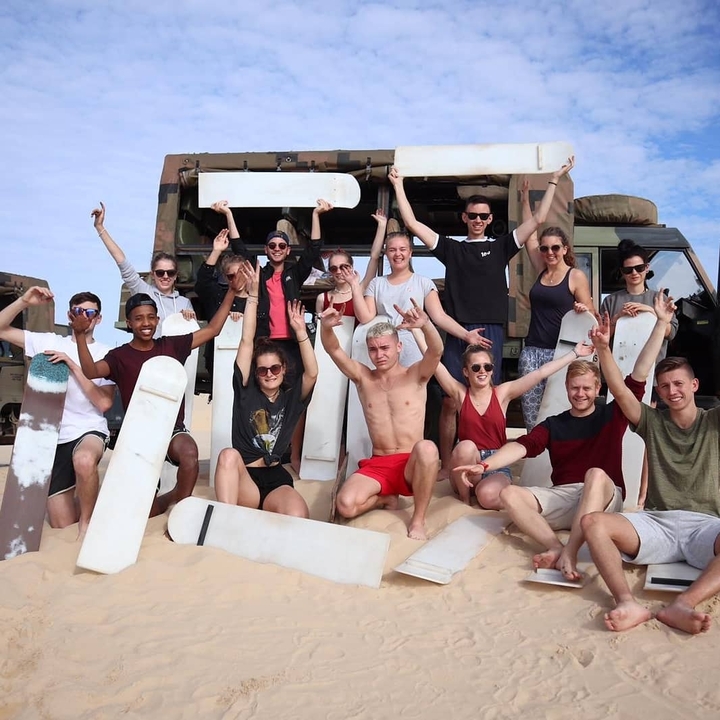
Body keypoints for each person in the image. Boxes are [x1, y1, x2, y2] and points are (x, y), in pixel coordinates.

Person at [389, 159, 575, 471]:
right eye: (472, 215)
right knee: (450, 399)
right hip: (459, 328)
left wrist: (554, 179)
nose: (477, 220)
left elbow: (539, 219)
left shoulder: (502, 247)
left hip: (490, 331)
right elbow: (413, 225)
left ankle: (493, 461)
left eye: (483, 216)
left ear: (490, 220)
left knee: (490, 399)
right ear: (464, 218)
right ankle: (447, 464)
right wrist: (398, 185)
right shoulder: (451, 249)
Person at [582, 294, 720, 635]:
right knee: (593, 523)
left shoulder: (713, 421)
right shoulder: (652, 422)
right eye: (665, 387)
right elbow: (619, 389)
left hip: (706, 526)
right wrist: (603, 348)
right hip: (657, 523)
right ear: (657, 393)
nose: (673, 391)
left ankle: (683, 604)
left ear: (694, 385)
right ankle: (627, 602)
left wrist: (662, 322)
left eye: (679, 384)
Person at [456, 341, 648, 581]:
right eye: (574, 388)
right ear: (566, 388)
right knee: (509, 494)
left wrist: (661, 324)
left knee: (595, 474)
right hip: (565, 496)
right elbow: (521, 446)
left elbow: (638, 378)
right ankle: (555, 546)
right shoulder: (554, 424)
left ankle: (570, 551)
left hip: (604, 497)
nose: (580, 394)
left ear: (598, 388)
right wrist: (485, 465)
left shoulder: (612, 415)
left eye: (586, 388)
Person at [72, 279, 241, 516]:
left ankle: (181, 512)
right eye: (139, 318)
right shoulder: (119, 356)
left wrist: (232, 292)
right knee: (147, 513)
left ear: (158, 320)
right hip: (139, 434)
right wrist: (80, 336)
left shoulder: (172, 346)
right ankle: (169, 497)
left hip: (172, 429)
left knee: (190, 454)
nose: (146, 323)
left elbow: (213, 329)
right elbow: (90, 372)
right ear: (129, 323)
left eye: (151, 317)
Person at [412, 329, 593, 508]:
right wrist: (415, 330)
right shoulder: (460, 394)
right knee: (465, 446)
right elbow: (435, 362)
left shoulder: (502, 394)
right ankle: (465, 500)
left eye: (487, 366)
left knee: (487, 497)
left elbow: (540, 373)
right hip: (466, 463)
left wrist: (574, 353)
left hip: (496, 462)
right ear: (466, 372)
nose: (482, 371)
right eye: (476, 367)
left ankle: (496, 493)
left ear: (492, 370)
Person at [214, 198, 331, 472]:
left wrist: (315, 214)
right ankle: (261, 451)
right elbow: (238, 247)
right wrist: (229, 214)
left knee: (297, 399)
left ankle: (293, 456)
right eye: (272, 246)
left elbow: (314, 250)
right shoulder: (259, 272)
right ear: (266, 250)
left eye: (281, 246)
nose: (277, 249)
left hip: (291, 345)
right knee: (259, 398)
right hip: (264, 346)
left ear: (287, 249)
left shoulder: (294, 272)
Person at [321, 298, 443, 540]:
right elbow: (333, 349)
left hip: (411, 463)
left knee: (428, 448)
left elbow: (436, 350)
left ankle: (418, 520)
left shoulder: (415, 374)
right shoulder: (363, 378)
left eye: (385, 348)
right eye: (374, 349)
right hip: (379, 463)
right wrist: (325, 328)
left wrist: (426, 325)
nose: (379, 354)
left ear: (398, 347)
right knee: (345, 505)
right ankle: (385, 498)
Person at [0, 287, 115, 537]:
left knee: (84, 461)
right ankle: (96, 499)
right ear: (69, 315)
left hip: (89, 430)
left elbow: (104, 404)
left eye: (90, 312)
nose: (84, 316)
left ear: (99, 318)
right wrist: (23, 301)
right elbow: (1, 329)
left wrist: (73, 365)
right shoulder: (49, 342)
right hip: (54, 437)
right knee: (62, 522)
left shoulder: (105, 353)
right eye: (78, 311)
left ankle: (87, 524)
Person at [214, 262, 318, 517]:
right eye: (262, 370)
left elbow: (312, 373)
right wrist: (252, 297)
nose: (269, 374)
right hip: (244, 478)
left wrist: (301, 333)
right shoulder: (246, 390)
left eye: (274, 369)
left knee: (298, 516)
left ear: (283, 370)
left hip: (275, 478)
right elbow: (247, 340)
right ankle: (226, 521)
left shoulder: (291, 399)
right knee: (228, 455)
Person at [519, 181, 594, 429]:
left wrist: (583, 310)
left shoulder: (575, 276)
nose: (549, 252)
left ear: (564, 249)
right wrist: (524, 198)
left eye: (555, 247)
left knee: (560, 413)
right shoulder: (541, 270)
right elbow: (528, 234)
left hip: (561, 352)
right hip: (532, 352)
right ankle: (535, 465)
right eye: (545, 248)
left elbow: (591, 314)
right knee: (532, 417)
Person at [354, 231, 490, 367]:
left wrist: (466, 335)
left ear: (410, 252)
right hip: (383, 348)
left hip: (414, 346)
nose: (397, 254)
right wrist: (354, 286)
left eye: (402, 249)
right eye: (392, 250)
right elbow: (365, 317)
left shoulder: (423, 283)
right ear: (387, 253)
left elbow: (440, 316)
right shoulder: (376, 283)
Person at [92, 203, 195, 334]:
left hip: (175, 354)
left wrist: (189, 317)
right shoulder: (144, 292)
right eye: (160, 272)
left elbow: (192, 334)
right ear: (153, 274)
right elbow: (122, 263)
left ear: (176, 275)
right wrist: (100, 227)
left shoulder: (184, 303)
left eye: (170, 272)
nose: (165, 276)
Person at [600, 238, 677, 363]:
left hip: (653, 371)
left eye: (639, 268)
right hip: (618, 370)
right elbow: (601, 338)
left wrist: (651, 312)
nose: (634, 273)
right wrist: (617, 317)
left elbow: (670, 333)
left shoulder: (659, 299)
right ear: (622, 272)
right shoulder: (610, 301)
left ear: (647, 267)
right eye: (628, 270)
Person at [194, 228, 249, 387]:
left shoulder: (257, 300)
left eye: (242, 274)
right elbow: (202, 284)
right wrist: (216, 251)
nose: (238, 279)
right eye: (232, 275)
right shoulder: (217, 296)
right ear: (226, 277)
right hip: (218, 361)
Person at [314, 209, 386, 321]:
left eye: (343, 267)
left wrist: (382, 226)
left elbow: (374, 257)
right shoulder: (322, 298)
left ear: (351, 267)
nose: (338, 272)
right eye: (334, 268)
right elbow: (320, 330)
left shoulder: (360, 289)